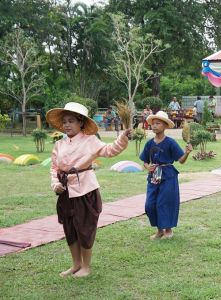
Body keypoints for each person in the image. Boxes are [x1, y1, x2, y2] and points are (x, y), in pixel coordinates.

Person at [47, 102, 131, 278]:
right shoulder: (59, 145)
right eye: (65, 122)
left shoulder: (90, 140)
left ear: (81, 123)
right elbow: (55, 168)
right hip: (65, 193)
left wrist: (122, 138)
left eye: (71, 121)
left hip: (86, 191)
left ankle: (86, 266)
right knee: (70, 229)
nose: (67, 125)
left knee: (85, 228)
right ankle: (76, 264)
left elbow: (110, 150)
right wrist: (55, 184)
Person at [140, 111, 193, 240]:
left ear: (165, 126)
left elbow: (180, 160)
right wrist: (148, 167)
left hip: (168, 176)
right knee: (150, 205)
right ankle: (159, 230)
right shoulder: (149, 143)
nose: (154, 126)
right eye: (153, 124)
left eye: (158, 123)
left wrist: (186, 153)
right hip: (154, 177)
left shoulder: (170, 142)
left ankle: (168, 230)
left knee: (164, 203)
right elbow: (145, 161)